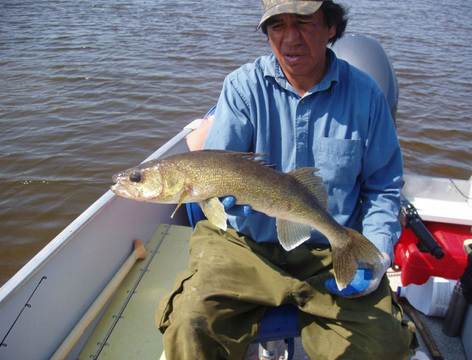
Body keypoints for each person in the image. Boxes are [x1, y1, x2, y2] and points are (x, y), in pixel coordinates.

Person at [157, 0, 418, 358]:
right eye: (277, 25)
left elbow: (383, 187)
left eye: (304, 21)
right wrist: (217, 200)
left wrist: (377, 252)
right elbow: (214, 163)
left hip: (326, 250)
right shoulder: (242, 88)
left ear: (331, 27)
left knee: (384, 344)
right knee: (189, 324)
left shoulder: (367, 97)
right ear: (267, 34)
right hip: (246, 245)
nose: (290, 38)